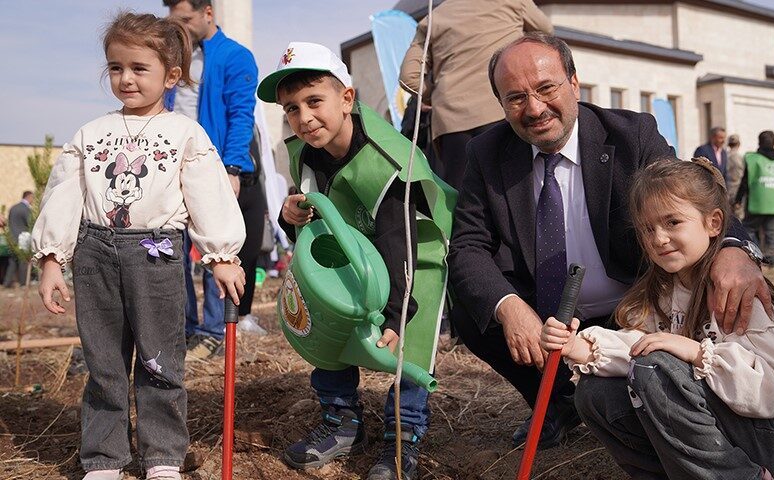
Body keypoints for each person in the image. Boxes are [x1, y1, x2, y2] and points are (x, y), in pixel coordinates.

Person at [448, 32, 768, 449]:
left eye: (547, 88)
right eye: (516, 98)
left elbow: (692, 197)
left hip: (635, 307)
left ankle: (678, 409)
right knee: (477, 309)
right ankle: (553, 401)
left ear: (575, 84)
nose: (535, 108)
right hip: (544, 313)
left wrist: (734, 249)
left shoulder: (630, 135)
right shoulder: (486, 153)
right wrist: (510, 309)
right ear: (501, 104)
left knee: (716, 285)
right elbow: (468, 244)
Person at [31, 13, 245, 480]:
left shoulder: (185, 134)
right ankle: (105, 458)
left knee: (161, 358)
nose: (125, 78)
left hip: (157, 254)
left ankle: (163, 456)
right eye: (115, 67)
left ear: (171, 75)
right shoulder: (91, 134)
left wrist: (223, 256)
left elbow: (208, 194)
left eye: (138, 67)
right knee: (103, 361)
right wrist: (52, 260)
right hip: (94, 254)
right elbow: (65, 195)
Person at [541, 158, 774, 479]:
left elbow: (772, 393)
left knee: (656, 368)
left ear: (713, 223)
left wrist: (694, 352)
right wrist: (577, 346)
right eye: (647, 228)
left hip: (765, 431)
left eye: (672, 222)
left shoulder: (737, 291)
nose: (658, 238)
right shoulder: (664, 289)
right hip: (710, 419)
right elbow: (639, 347)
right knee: (593, 395)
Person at [259, 42, 455, 480]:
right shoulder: (306, 152)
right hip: (354, 252)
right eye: (291, 108)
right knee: (329, 322)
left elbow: (396, 237)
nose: (304, 118)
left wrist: (394, 313)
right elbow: (309, 214)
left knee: (408, 351)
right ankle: (341, 418)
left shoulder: (383, 161)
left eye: (314, 101)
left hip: (410, 257)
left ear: (347, 98)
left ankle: (402, 442)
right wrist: (289, 216)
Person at [164, 0, 266, 359]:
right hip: (170, 165)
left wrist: (233, 167)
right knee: (170, 250)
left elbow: (241, 115)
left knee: (217, 249)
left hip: (213, 167)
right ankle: (184, 327)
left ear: (208, 13)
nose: (181, 26)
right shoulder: (170, 56)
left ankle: (212, 331)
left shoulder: (235, 57)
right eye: (174, 20)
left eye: (186, 19)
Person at [399, 0, 553, 188]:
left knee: (462, 197)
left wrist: (438, 96)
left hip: (451, 120)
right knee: (515, 190)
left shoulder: (432, 20)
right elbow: (546, 32)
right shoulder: (512, 1)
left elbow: (408, 77)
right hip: (501, 109)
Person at [735, 130, 774, 265]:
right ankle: (771, 260)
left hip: (757, 203)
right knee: (772, 234)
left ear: (759, 142)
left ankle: (756, 254)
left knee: (748, 229)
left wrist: (738, 199)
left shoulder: (753, 159)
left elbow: (745, 182)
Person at [3, 191, 33, 287]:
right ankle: (23, 283)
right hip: (22, 237)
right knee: (23, 261)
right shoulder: (26, 209)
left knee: (12, 262)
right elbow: (30, 223)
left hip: (12, 238)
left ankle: (7, 283)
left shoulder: (13, 208)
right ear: (29, 197)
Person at [726, 133, 745, 218]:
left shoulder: (724, 156)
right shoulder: (741, 158)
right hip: (738, 189)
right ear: (739, 144)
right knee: (738, 217)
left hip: (726, 188)